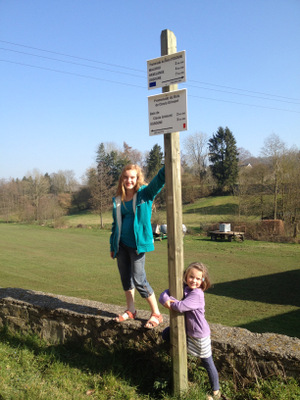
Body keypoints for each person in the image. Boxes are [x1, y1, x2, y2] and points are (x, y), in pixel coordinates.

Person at [110, 163, 165, 329]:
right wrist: (113, 245)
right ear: (122, 179)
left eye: (132, 177)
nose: (129, 180)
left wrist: (166, 165)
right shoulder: (118, 200)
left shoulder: (144, 194)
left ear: (137, 178)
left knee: (139, 280)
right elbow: (115, 225)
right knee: (126, 279)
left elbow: (158, 181)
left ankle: (156, 313)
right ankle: (131, 310)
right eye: (126, 177)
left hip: (137, 246)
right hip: (121, 246)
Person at [159, 262, 222, 400]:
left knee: (207, 362)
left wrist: (169, 302)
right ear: (186, 276)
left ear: (203, 280)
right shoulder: (183, 289)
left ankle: (216, 392)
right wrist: (167, 299)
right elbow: (164, 294)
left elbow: (181, 307)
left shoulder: (197, 294)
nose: (194, 280)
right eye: (191, 276)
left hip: (199, 334)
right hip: (186, 330)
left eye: (198, 278)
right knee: (166, 334)